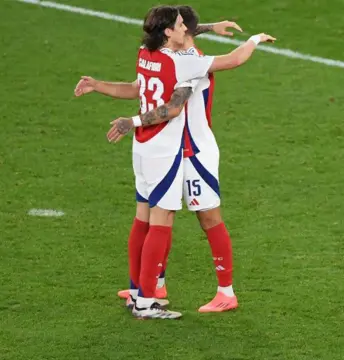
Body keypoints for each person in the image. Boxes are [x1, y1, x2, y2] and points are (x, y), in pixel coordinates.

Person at [80, 5, 274, 319]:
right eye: (182, 25)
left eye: (187, 25)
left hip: (195, 153)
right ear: (171, 32)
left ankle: (225, 292)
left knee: (206, 217)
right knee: (156, 217)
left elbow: (221, 54)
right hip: (169, 149)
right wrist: (222, 28)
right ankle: (151, 286)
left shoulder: (186, 59)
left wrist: (241, 37)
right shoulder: (178, 59)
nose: (186, 29)